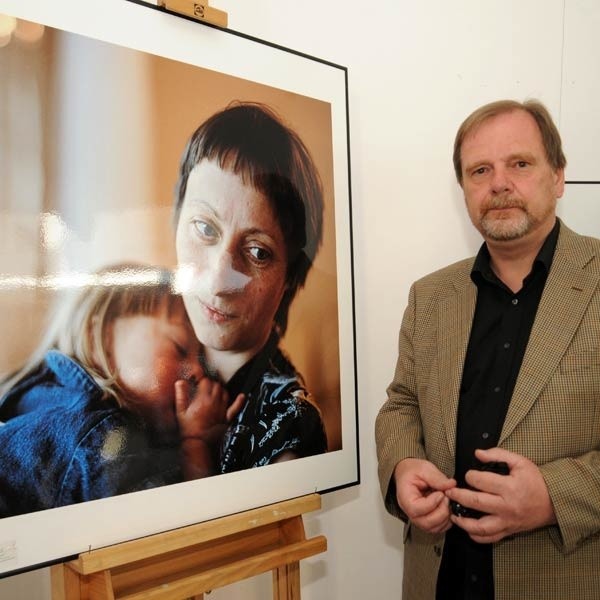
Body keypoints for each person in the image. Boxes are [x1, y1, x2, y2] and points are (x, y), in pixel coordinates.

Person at [375, 99, 600, 600]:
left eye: (520, 163)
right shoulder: (430, 297)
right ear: (464, 191)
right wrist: (403, 466)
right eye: (480, 170)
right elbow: (401, 405)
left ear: (558, 177)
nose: (499, 183)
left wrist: (553, 498)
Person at [0, 263, 243, 518]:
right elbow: (171, 539)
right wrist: (197, 444)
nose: (199, 372)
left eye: (204, 362)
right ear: (99, 339)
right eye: (180, 348)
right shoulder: (103, 435)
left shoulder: (41, 400)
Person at [173, 101, 328, 472]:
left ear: (290, 276)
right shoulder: (140, 332)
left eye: (258, 252)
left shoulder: (288, 423)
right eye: (204, 229)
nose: (218, 279)